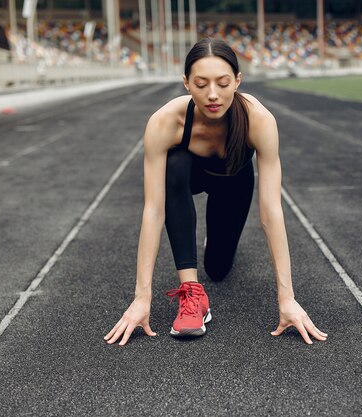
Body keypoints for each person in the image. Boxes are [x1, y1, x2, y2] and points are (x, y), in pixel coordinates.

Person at [105, 38, 328, 346]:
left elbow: (271, 211)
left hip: (233, 180)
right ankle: (192, 292)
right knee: (176, 162)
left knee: (218, 268)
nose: (212, 95)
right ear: (186, 83)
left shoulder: (258, 120)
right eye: (200, 84)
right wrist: (142, 298)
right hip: (184, 177)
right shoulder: (164, 123)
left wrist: (287, 298)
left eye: (223, 83)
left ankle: (216, 241)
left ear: (238, 80)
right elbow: (154, 210)